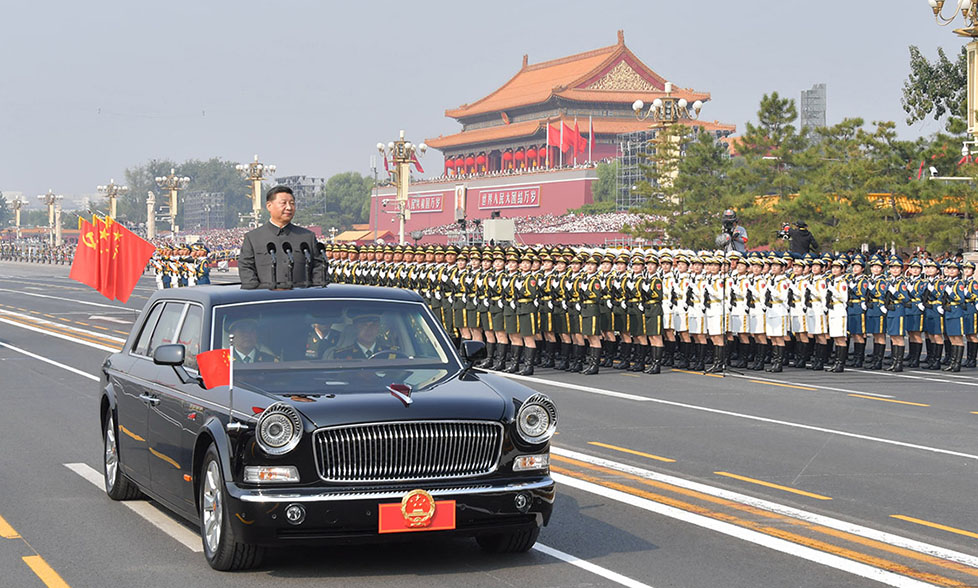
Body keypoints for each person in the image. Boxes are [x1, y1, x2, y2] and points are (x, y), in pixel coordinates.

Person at [239, 186, 325, 289]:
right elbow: (246, 269)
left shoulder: (307, 237)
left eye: (292, 203)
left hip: (301, 299)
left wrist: (314, 291)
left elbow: (318, 269)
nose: (289, 207)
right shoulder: (253, 238)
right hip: (266, 300)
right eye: (283, 203)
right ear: (269, 206)